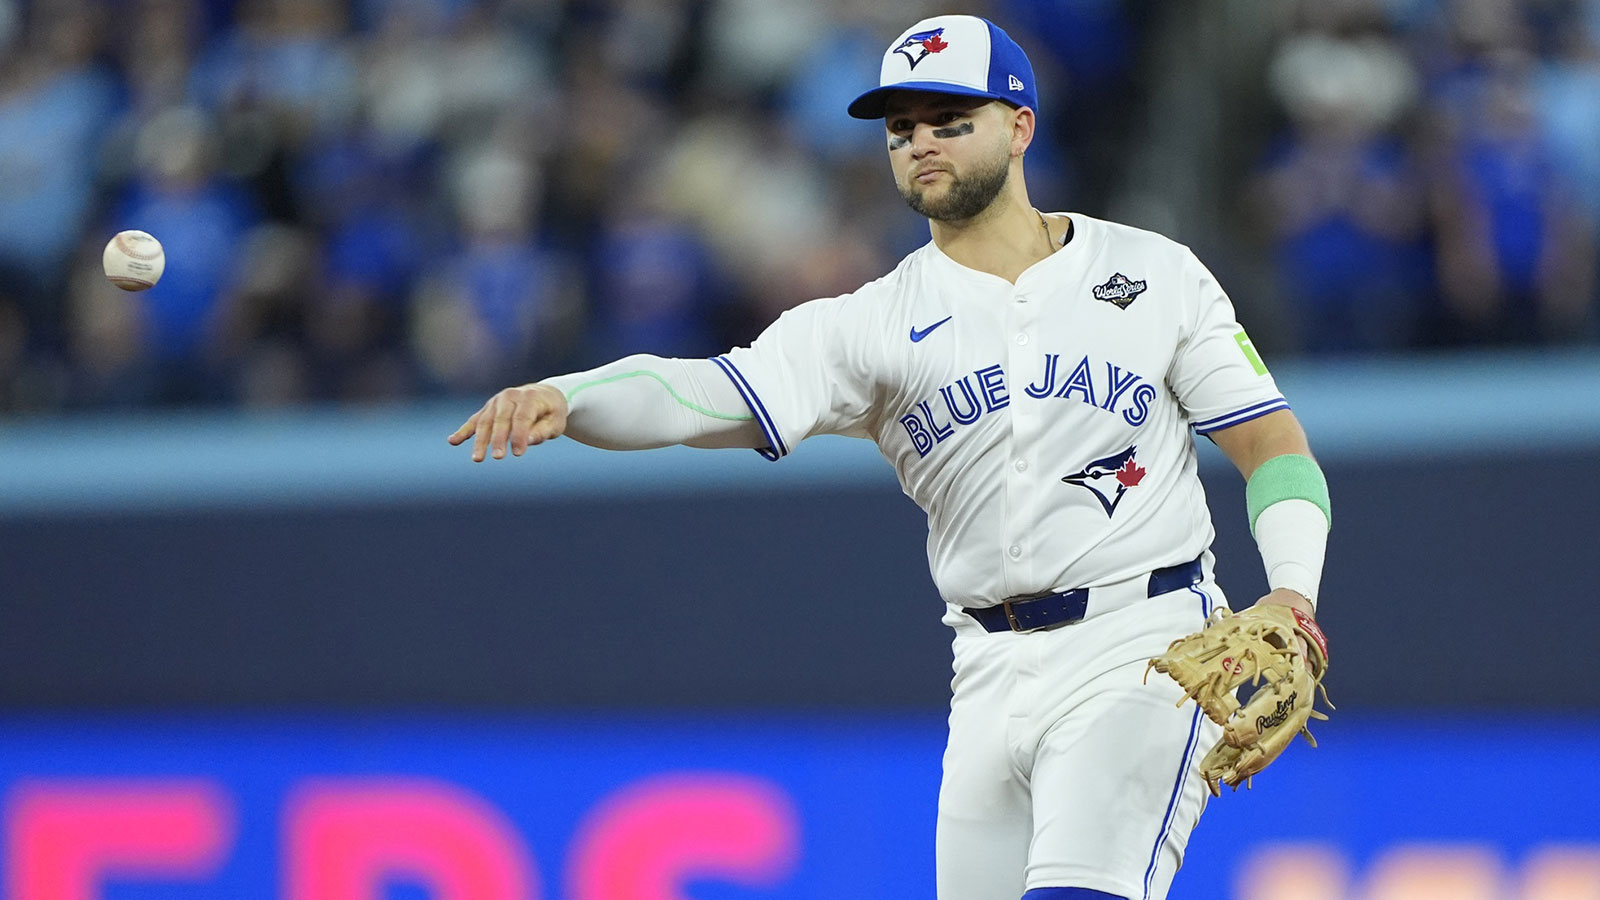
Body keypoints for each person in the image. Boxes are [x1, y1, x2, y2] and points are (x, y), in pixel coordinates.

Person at [449, 15, 1331, 900]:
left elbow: (1273, 445)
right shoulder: (870, 323)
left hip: (1143, 643)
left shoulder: (1154, 275)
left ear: (1020, 126)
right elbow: (705, 392)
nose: (922, 142)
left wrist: (1292, 594)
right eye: (902, 126)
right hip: (987, 668)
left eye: (951, 119)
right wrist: (574, 396)